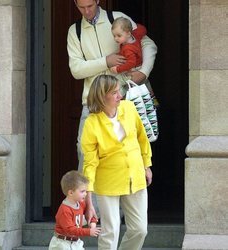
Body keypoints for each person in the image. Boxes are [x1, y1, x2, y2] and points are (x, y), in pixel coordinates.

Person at [67, 0, 157, 172]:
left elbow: (147, 44)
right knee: (85, 151)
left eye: (90, 6)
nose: (86, 12)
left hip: (124, 97)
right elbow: (76, 70)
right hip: (93, 101)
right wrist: (106, 62)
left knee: (130, 150)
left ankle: (129, 196)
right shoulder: (74, 31)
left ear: (97, 1)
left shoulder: (118, 18)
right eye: (81, 7)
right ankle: (90, 199)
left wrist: (144, 72)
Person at [81, 75, 153, 250]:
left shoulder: (129, 108)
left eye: (119, 91)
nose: (120, 95)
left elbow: (142, 138)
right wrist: (88, 200)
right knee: (110, 232)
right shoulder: (91, 123)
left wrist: (147, 165)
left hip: (135, 176)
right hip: (108, 181)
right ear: (101, 96)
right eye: (114, 93)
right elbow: (89, 163)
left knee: (140, 229)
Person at [48, 170, 101, 250]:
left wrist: (92, 223)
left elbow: (91, 213)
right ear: (71, 193)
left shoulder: (81, 203)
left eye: (86, 191)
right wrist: (89, 231)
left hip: (76, 243)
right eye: (82, 191)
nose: (85, 194)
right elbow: (70, 230)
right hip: (62, 244)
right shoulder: (64, 210)